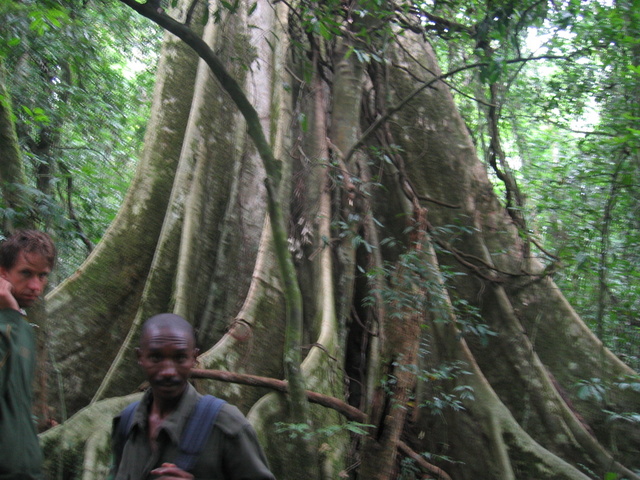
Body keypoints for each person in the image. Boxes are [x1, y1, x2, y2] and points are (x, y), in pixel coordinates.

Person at [109, 313, 275, 480]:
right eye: (156, 358)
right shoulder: (126, 422)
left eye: (180, 358)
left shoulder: (227, 425)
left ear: (194, 358)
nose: (168, 371)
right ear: (140, 358)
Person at [0, 229, 56, 480]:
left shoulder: (18, 326)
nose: (36, 286)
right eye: (26, 273)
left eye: (42, 276)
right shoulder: (9, 325)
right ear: (3, 273)